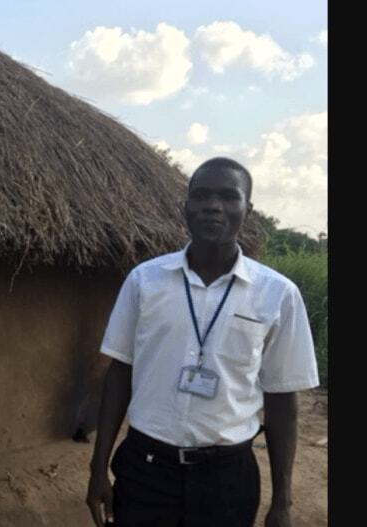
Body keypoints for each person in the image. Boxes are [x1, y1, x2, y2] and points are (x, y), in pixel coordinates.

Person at [85, 157, 319, 527]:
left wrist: (283, 503)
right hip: (145, 470)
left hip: (227, 479)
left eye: (228, 196)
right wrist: (98, 469)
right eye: (202, 196)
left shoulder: (278, 295)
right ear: (186, 207)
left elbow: (282, 402)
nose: (213, 206)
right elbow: (119, 373)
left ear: (248, 210)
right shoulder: (145, 281)